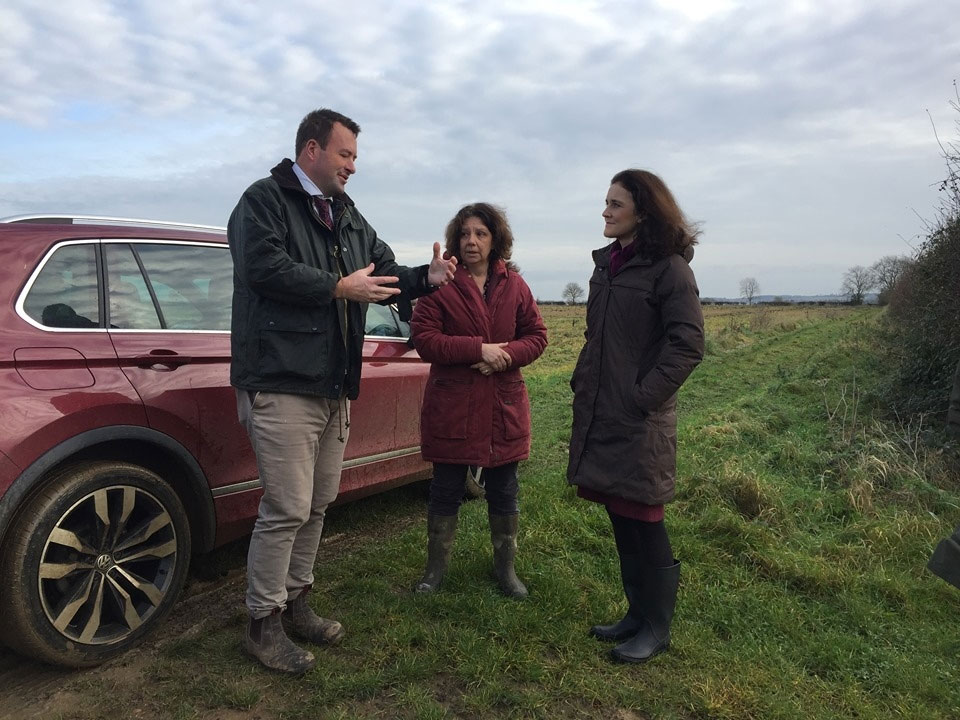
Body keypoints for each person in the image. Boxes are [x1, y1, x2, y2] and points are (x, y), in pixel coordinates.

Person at [228, 108, 457, 675]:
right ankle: (262, 623)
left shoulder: (348, 217)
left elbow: (381, 272)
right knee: (285, 506)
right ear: (312, 150)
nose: (354, 166)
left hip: (334, 385)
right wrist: (336, 286)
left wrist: (425, 277)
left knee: (318, 501)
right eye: (345, 154)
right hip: (281, 381)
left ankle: (296, 602)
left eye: (355, 156)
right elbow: (261, 268)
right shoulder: (263, 201)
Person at [567, 169, 704, 664]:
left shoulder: (670, 269)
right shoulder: (606, 267)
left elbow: (687, 345)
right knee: (620, 515)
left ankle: (657, 627)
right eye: (605, 202)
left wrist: (643, 397)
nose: (604, 211)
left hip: (640, 421)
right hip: (604, 414)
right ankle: (635, 613)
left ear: (643, 212)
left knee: (646, 520)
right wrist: (586, 380)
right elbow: (596, 339)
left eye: (615, 203)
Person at [409, 203, 547, 598]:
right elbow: (424, 339)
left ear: (495, 239)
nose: (471, 241)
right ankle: (434, 571)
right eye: (465, 233)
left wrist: (504, 357)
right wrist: (478, 350)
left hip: (503, 403)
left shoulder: (515, 285)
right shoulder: (441, 284)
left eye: (480, 233)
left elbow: (536, 336)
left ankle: (506, 571)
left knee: (504, 488)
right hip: (454, 406)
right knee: (446, 487)